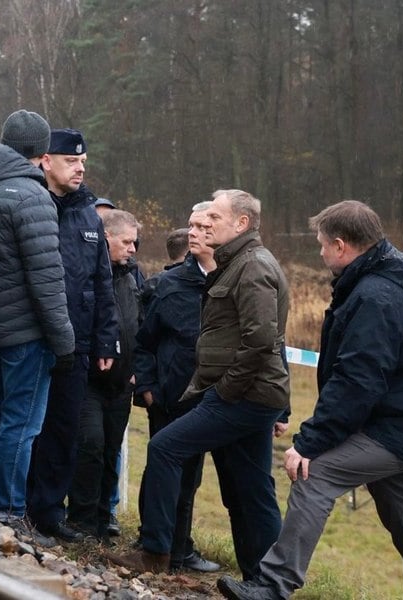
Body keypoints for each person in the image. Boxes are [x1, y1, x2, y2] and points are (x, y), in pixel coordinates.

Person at [217, 200, 403, 600]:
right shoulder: (385, 278)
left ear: (341, 246)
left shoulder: (376, 296)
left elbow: (358, 380)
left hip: (397, 431)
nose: (320, 253)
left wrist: (311, 442)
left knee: (314, 473)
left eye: (322, 245)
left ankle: (272, 586)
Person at [108, 188, 290, 576]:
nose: (205, 224)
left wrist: (224, 391)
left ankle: (155, 553)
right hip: (245, 394)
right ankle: (262, 580)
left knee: (166, 448)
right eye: (202, 219)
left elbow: (262, 340)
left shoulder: (253, 267)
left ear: (241, 223)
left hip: (242, 396)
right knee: (248, 489)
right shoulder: (235, 263)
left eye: (215, 217)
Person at [0, 109, 75, 531]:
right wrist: (64, 340)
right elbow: (47, 277)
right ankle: (8, 510)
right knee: (20, 423)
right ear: (41, 152)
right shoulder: (32, 197)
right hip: (26, 330)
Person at [26, 128, 119, 544]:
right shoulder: (31, 203)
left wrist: (105, 339)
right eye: (71, 161)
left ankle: (48, 513)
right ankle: (13, 503)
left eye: (83, 162)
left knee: (64, 430)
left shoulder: (88, 215)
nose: (80, 169)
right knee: (26, 424)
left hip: (78, 342)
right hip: (33, 336)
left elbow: (102, 282)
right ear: (46, 161)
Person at [130, 202, 221, 574]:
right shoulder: (167, 285)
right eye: (191, 226)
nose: (195, 233)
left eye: (203, 227)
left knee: (192, 479)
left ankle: (180, 551)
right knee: (164, 471)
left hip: (216, 400)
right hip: (169, 398)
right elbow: (144, 341)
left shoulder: (238, 281)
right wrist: (148, 387)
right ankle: (153, 547)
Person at [67, 209, 142, 541]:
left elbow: (141, 325)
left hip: (122, 383)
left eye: (134, 243)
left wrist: (139, 369)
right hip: (88, 380)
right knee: (90, 445)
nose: (132, 249)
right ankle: (80, 520)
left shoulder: (132, 277)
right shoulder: (86, 275)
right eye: (126, 242)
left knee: (111, 450)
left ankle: (102, 518)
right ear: (106, 238)